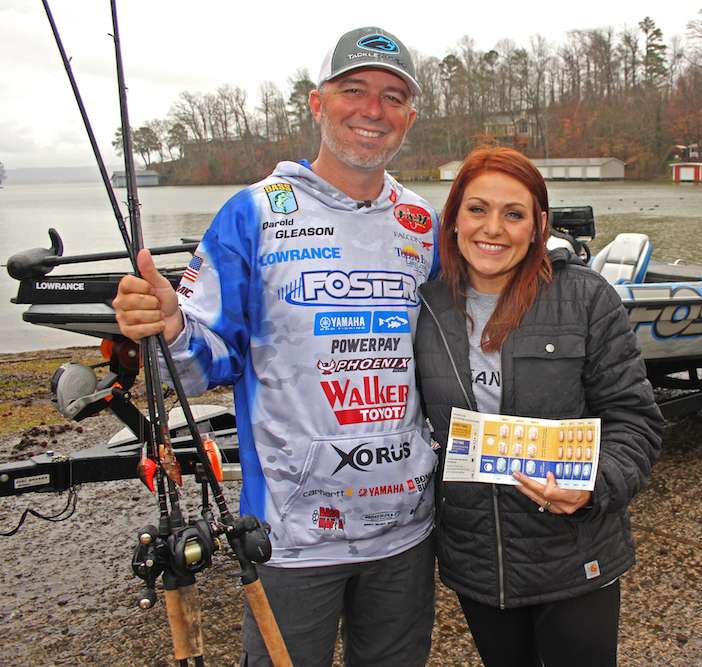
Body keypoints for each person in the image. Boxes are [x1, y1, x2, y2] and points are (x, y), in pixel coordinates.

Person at [113, 27, 438, 667]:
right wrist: (168, 326)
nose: (373, 110)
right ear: (317, 104)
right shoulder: (253, 213)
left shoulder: (424, 223)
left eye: (393, 97)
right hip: (292, 535)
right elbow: (203, 363)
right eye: (354, 90)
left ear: (409, 116)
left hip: (406, 531)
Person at [414, 147, 664, 667]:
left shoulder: (586, 299)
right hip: (479, 563)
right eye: (477, 209)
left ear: (538, 227)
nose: (493, 228)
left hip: (573, 554)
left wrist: (593, 484)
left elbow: (635, 421)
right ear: (453, 219)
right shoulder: (426, 308)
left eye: (514, 214)